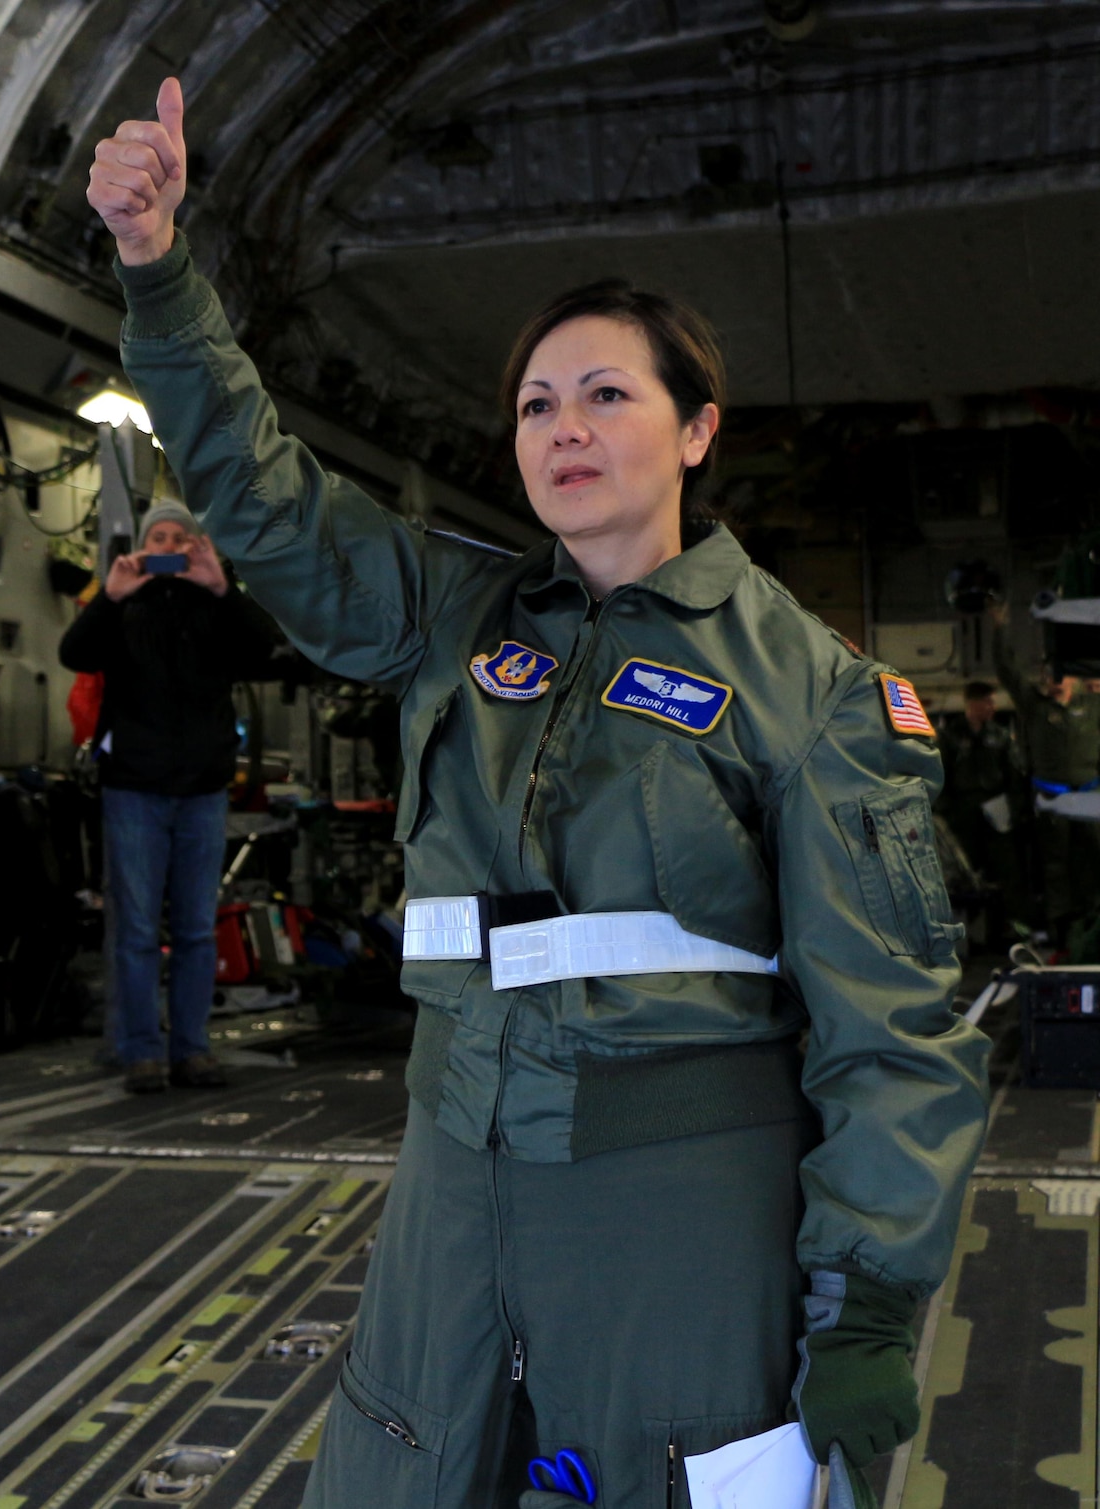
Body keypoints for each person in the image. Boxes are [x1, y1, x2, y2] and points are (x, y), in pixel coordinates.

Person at [88, 80, 987, 1509]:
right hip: (454, 1187)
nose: (563, 427)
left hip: (678, 1210)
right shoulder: (460, 616)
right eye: (534, 404)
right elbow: (265, 502)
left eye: (607, 395)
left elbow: (895, 1044)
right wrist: (157, 268)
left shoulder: (814, 696)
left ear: (696, 432)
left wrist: (868, 1304)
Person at [58, 503, 280, 1093]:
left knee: (195, 929)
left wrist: (220, 586)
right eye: (159, 538)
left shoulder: (214, 608)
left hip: (201, 791)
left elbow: (266, 648)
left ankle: (192, 1048)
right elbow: (74, 655)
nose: (170, 546)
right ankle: (140, 1052)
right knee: (134, 930)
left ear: (197, 549)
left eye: (181, 539)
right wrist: (110, 595)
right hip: (134, 788)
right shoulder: (123, 607)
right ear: (140, 548)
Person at [993, 607, 1100, 946]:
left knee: (1093, 861)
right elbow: (1007, 671)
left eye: (1059, 673)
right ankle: (1061, 929)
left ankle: (1092, 922)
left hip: (1090, 795)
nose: (1053, 679)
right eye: (1047, 673)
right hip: (1051, 797)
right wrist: (1000, 629)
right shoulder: (1034, 706)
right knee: (1056, 868)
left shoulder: (1093, 703)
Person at [935, 679, 1022, 938]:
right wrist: (946, 811)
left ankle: (1004, 929)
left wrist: (1014, 810)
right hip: (963, 811)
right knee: (964, 873)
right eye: (987, 702)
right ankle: (968, 932)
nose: (992, 707)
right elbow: (941, 775)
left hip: (995, 809)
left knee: (1004, 870)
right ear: (973, 703)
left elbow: (1013, 776)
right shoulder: (951, 736)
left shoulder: (1000, 735)